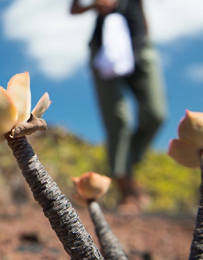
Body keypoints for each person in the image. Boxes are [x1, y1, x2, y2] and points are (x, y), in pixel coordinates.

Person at [71, 0, 167, 213]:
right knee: (118, 119)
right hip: (105, 49)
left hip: (138, 42)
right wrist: (95, 5)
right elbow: (74, 8)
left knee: (156, 112)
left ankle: (127, 164)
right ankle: (127, 189)